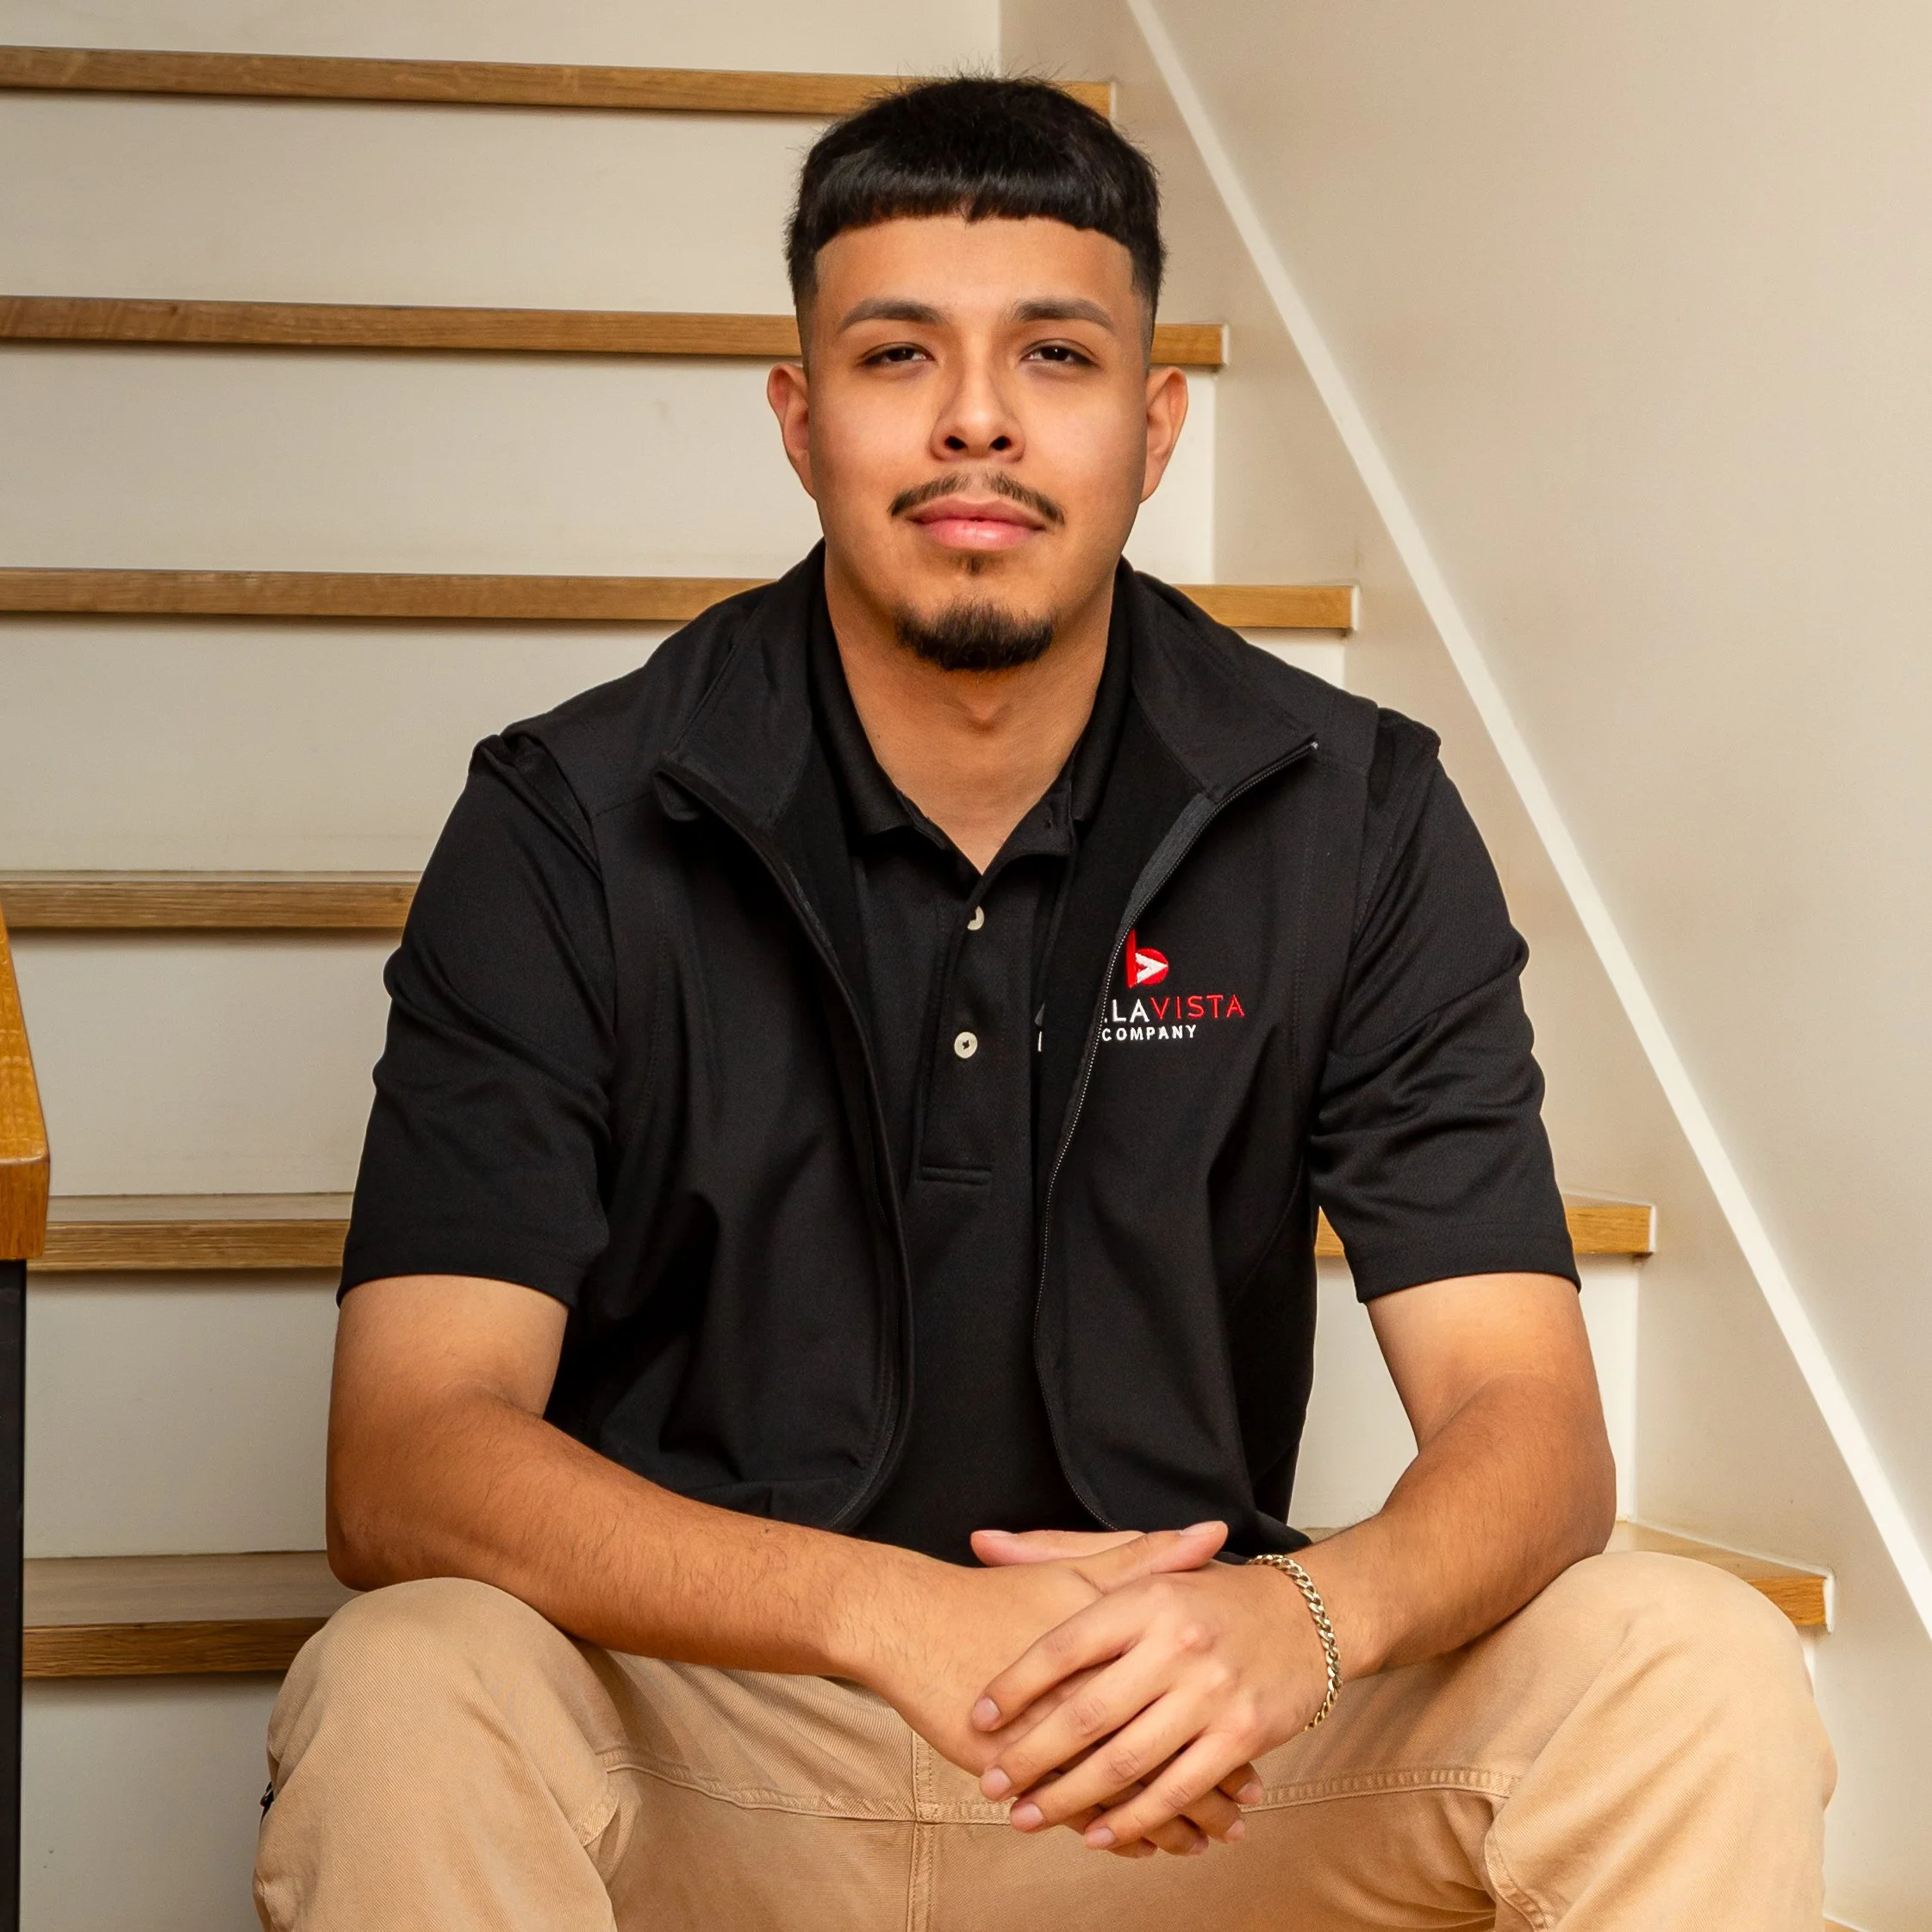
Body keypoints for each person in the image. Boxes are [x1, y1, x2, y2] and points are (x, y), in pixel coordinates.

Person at [254, 77, 1831, 1932]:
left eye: (1056, 355)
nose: (975, 417)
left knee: (1683, 1653)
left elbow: (1526, 1417)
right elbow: (407, 1452)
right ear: (798, 417)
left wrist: (1294, 1618)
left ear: (1154, 425)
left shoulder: (1352, 810)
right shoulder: (570, 820)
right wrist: (881, 1608)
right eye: (895, 350)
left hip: (1193, 1759)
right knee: (405, 1678)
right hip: (721, 1743)